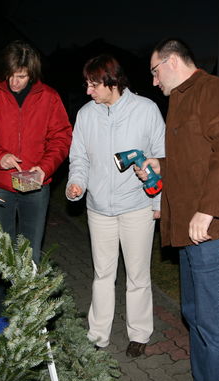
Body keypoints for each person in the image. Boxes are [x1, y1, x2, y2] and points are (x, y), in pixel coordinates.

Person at [135, 39, 219, 381]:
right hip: (194, 229)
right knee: (195, 314)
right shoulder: (182, 98)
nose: (153, 81)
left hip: (215, 229)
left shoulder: (215, 91)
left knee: (215, 322)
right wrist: (160, 165)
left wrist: (208, 209)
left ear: (173, 61)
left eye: (154, 71)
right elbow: (196, 156)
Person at [66, 54, 165, 357]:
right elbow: (79, 157)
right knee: (102, 274)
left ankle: (139, 333)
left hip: (137, 206)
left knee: (137, 275)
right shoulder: (86, 114)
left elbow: (163, 156)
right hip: (98, 208)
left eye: (93, 84)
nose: (88, 91)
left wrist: (158, 200)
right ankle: (98, 335)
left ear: (112, 82)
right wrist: (77, 184)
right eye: (87, 85)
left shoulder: (146, 110)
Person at [0, 40, 72, 265]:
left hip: (35, 185)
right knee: (3, 255)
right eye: (10, 75)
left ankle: (27, 300)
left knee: (30, 253)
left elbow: (61, 138)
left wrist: (45, 168)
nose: (15, 82)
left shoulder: (49, 97)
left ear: (32, 74)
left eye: (22, 76)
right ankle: (6, 302)